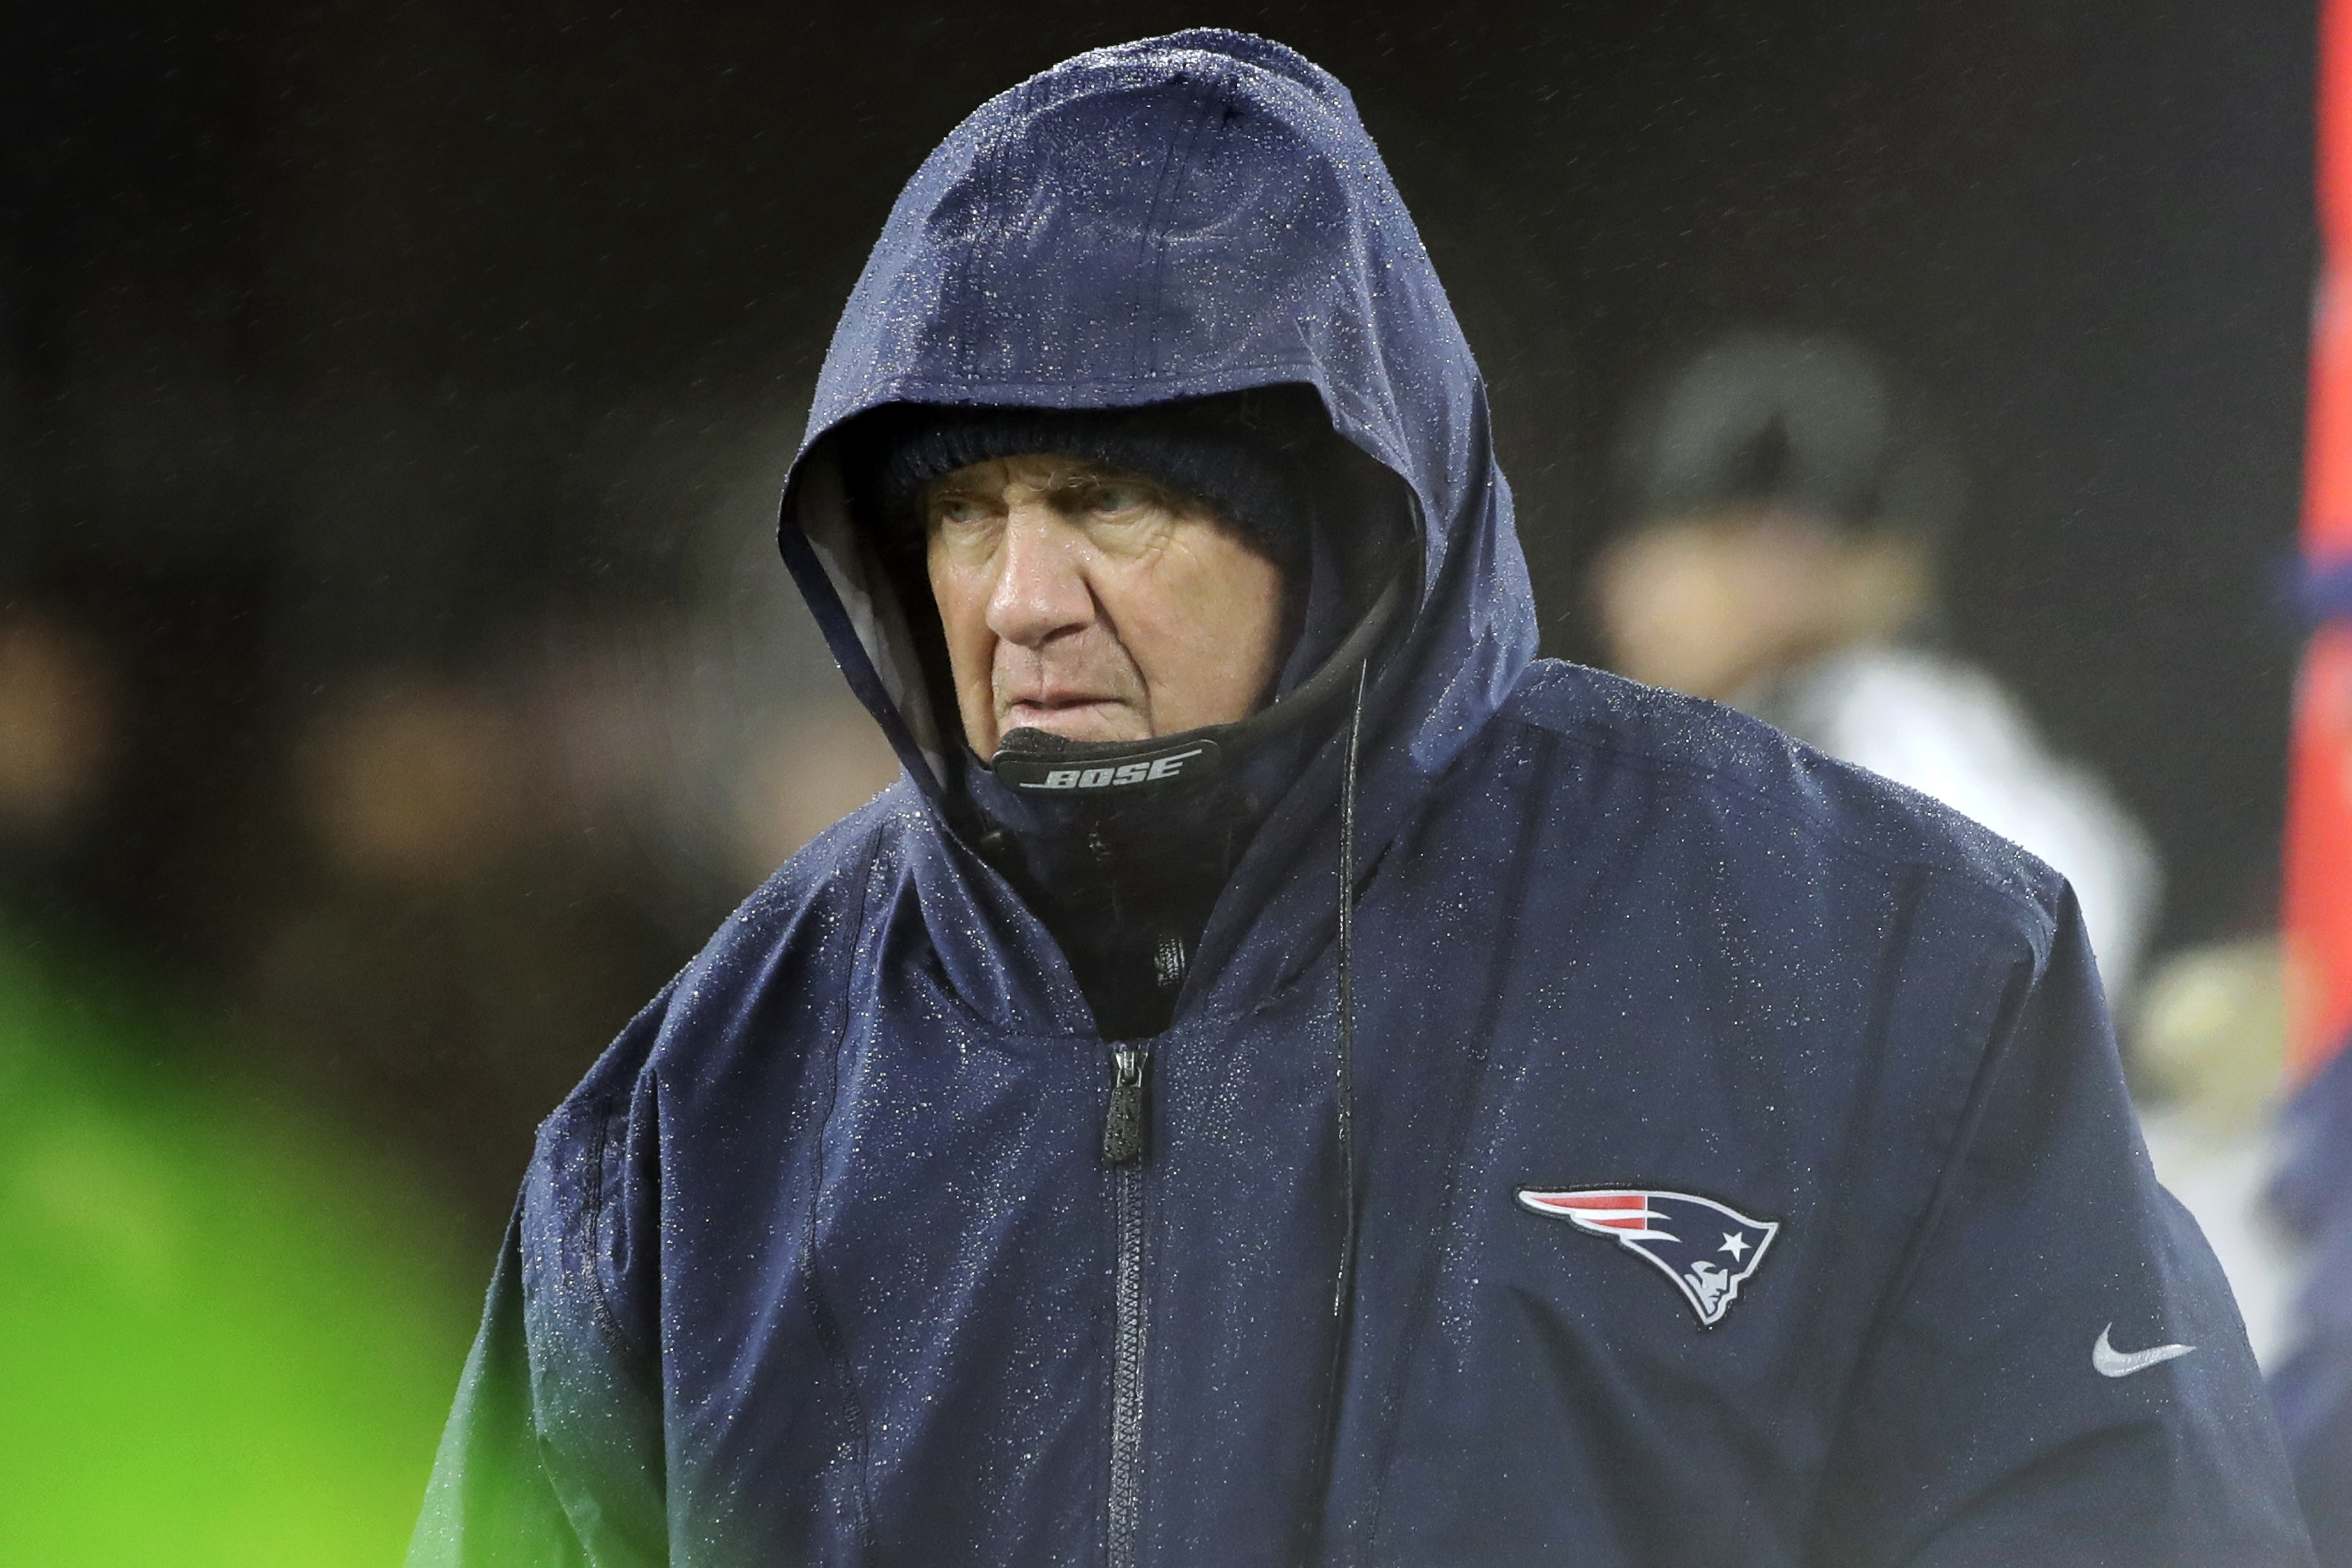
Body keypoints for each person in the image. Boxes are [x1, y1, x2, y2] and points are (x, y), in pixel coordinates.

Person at [409, 31, 2312, 1566]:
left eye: (1107, 502)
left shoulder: (1875, 961)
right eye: (960, 515)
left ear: (1334, 523)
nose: (1018, 596)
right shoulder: (702, 1115)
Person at [1590, 328, 2162, 1005]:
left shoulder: (1874, 720)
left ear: (1784, 560)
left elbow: (2055, 926)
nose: (1622, 583)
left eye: (1681, 542)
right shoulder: (1753, 737)